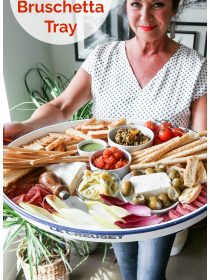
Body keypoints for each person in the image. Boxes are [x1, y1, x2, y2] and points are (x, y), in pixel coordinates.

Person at [4, 0, 207, 279]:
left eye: (157, 4)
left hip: (159, 195)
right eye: (136, 3)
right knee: (127, 267)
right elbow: (62, 107)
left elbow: (200, 142)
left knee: (149, 275)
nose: (145, 15)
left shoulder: (195, 67)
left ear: (174, 9)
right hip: (108, 188)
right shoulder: (103, 57)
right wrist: (25, 126)